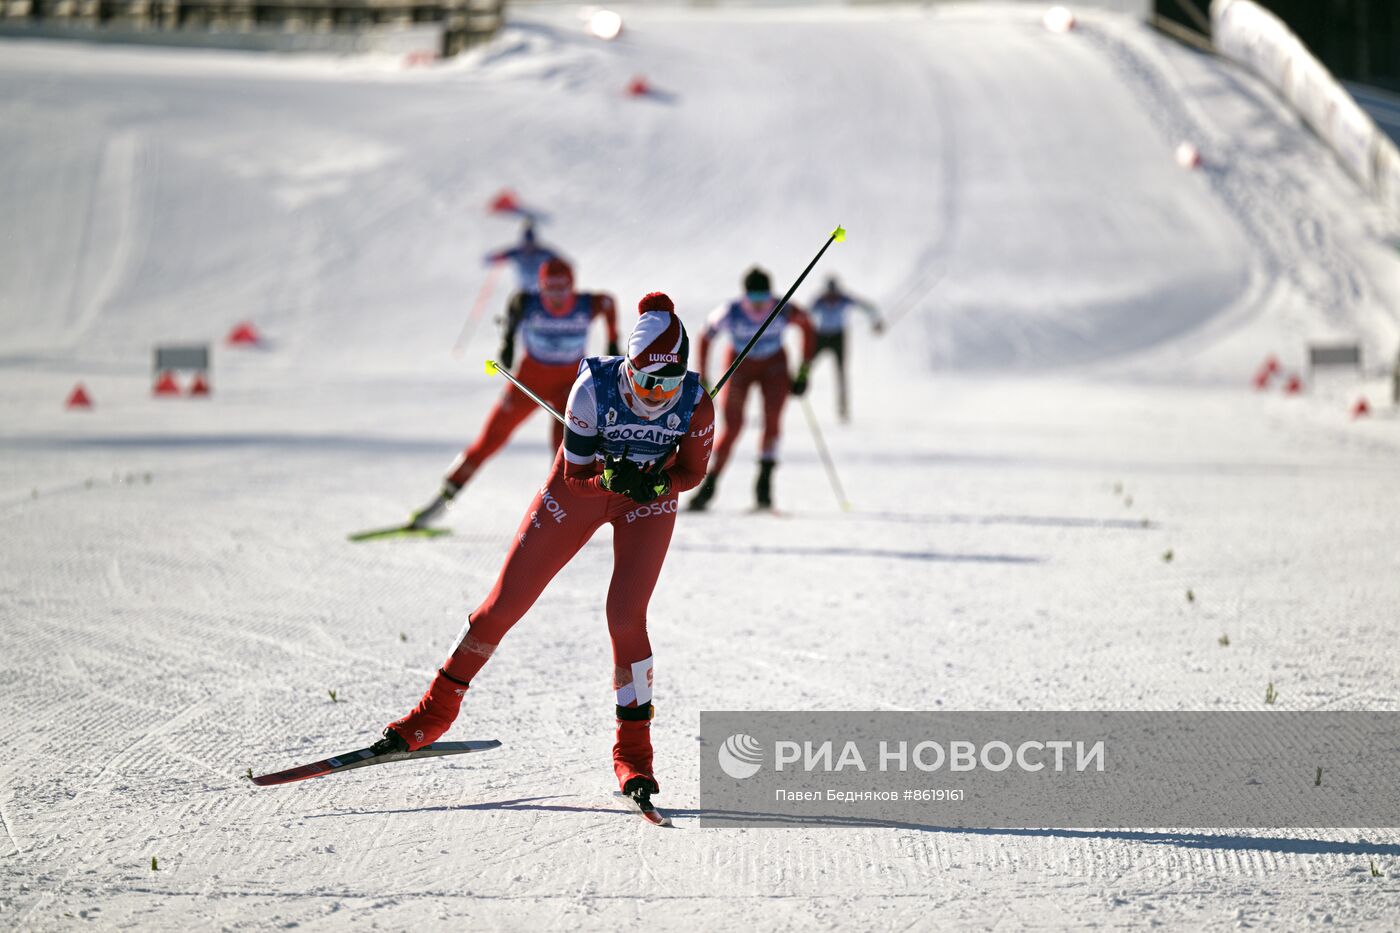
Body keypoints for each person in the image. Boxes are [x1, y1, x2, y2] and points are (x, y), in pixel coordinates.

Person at [374, 295, 715, 804]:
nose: (656, 394)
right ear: (627, 368)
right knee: (504, 605)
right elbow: (576, 478)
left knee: (626, 618)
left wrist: (656, 488)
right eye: (646, 381)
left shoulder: (695, 401)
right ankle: (433, 714)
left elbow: (692, 473)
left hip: (643, 504)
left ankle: (635, 757)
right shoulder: (591, 391)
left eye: (668, 383)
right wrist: (608, 475)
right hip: (577, 495)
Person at [410, 259, 619, 528]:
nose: (556, 299)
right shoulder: (527, 303)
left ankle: (562, 513)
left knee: (566, 451)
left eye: (562, 290)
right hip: (530, 382)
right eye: (549, 291)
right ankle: (442, 499)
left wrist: (613, 338)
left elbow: (608, 303)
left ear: (572, 287)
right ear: (541, 288)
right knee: (491, 439)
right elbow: (514, 307)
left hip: (570, 385)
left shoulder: (588, 304)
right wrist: (508, 340)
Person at [687, 266, 814, 512]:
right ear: (744, 295)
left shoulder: (783, 308)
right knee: (733, 426)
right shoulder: (730, 311)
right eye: (753, 299)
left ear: (771, 295)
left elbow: (808, 327)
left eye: (763, 298)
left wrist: (803, 371)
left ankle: (764, 487)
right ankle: (708, 487)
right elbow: (705, 335)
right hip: (739, 366)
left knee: (773, 421)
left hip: (774, 366)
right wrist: (704, 376)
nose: (758, 305)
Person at [808, 276, 883, 422]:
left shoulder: (844, 299)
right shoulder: (820, 300)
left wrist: (876, 321)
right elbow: (805, 314)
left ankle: (843, 409)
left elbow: (868, 308)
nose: (832, 297)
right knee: (806, 364)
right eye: (830, 293)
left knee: (841, 374)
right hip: (821, 336)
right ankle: (793, 389)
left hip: (838, 337)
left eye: (834, 293)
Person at [485, 220, 565, 294]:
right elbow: (488, 259)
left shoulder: (543, 253)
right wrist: (497, 258)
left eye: (531, 243)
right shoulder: (516, 253)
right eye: (526, 243)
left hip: (540, 288)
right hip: (522, 288)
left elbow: (561, 262)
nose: (529, 247)